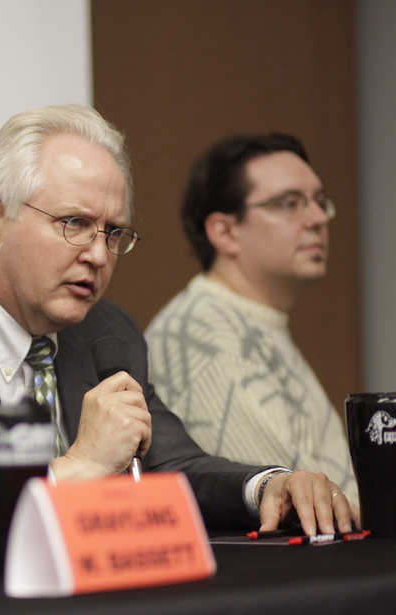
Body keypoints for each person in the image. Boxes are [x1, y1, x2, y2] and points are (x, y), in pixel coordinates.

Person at [0, 105, 353, 550]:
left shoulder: (106, 332)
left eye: (114, 232)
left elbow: (173, 466)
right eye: (74, 224)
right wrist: (75, 470)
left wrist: (267, 487)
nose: (98, 254)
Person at [145, 133, 358, 506]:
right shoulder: (202, 332)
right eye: (290, 203)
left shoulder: (251, 320)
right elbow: (299, 502)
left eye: (320, 202)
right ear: (225, 232)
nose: (319, 218)